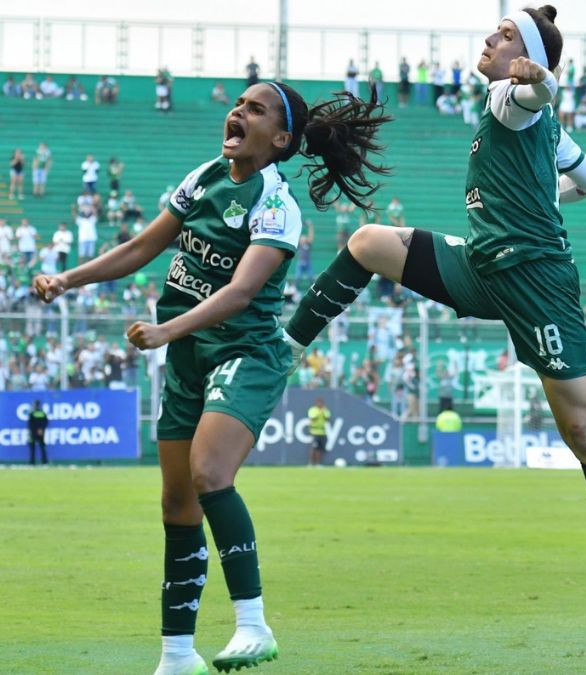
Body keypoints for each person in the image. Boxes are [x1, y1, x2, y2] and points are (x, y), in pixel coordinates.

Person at [281, 5, 586, 632]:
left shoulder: (512, 97)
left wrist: (541, 81)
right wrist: (542, 187)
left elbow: (538, 93)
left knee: (585, 435)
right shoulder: (532, 119)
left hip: (538, 282)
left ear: (524, 55)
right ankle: (281, 351)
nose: (489, 39)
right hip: (481, 264)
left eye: (505, 35)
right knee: (367, 242)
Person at [33, 78, 390, 675]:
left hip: (245, 352)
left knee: (208, 472)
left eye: (255, 108)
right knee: (176, 501)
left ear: (280, 138)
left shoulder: (276, 202)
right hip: (188, 355)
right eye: (238, 103)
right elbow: (143, 246)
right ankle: (177, 655)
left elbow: (242, 292)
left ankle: (254, 625)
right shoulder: (203, 177)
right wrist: (70, 279)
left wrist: (169, 330)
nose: (238, 111)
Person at [307, 397, 331, 467]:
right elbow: (313, 418)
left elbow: (327, 418)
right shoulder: (313, 410)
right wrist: (320, 412)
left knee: (320, 449)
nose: (320, 404)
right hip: (314, 432)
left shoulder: (325, 410)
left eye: (321, 403)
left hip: (323, 432)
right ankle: (310, 463)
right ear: (316, 403)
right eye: (319, 403)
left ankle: (318, 463)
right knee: (313, 448)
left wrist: (323, 411)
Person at [27, 399, 49, 465]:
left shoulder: (32, 413)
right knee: (42, 447)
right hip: (41, 433)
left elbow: (30, 424)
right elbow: (45, 422)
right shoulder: (42, 413)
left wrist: (33, 431)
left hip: (33, 433)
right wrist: (41, 429)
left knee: (33, 448)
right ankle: (44, 462)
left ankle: (32, 462)